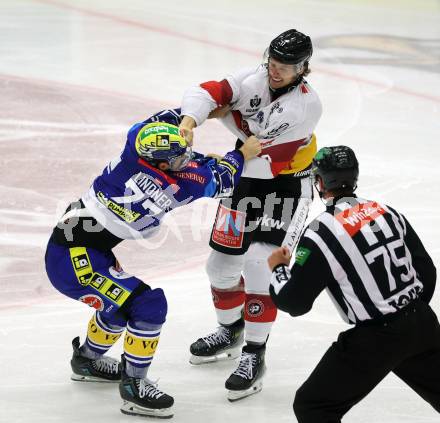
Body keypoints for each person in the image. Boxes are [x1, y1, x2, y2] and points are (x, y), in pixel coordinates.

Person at [45, 108, 261, 418]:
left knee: (119, 307)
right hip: (74, 260)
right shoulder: (184, 184)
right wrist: (240, 153)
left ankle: (87, 361)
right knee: (148, 305)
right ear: (160, 164)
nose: (185, 161)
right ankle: (134, 386)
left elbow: (166, 117)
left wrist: (185, 128)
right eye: (176, 160)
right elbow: (224, 180)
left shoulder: (136, 141)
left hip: (75, 247)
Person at [179, 29, 322, 400]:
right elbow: (204, 92)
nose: (276, 71)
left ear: (303, 69)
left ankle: (255, 355)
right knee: (220, 268)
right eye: (273, 62)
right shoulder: (252, 78)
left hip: (285, 184)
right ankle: (231, 329)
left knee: (259, 264)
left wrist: (225, 116)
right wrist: (191, 119)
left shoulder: (305, 107)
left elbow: (257, 155)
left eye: (286, 67)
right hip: (245, 177)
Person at [268, 145, 439, 422]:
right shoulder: (386, 211)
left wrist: (277, 269)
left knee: (313, 405)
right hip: (421, 323)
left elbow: (294, 302)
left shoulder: (321, 233)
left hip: (376, 338)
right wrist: (407, 317)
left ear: (321, 183)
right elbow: (426, 271)